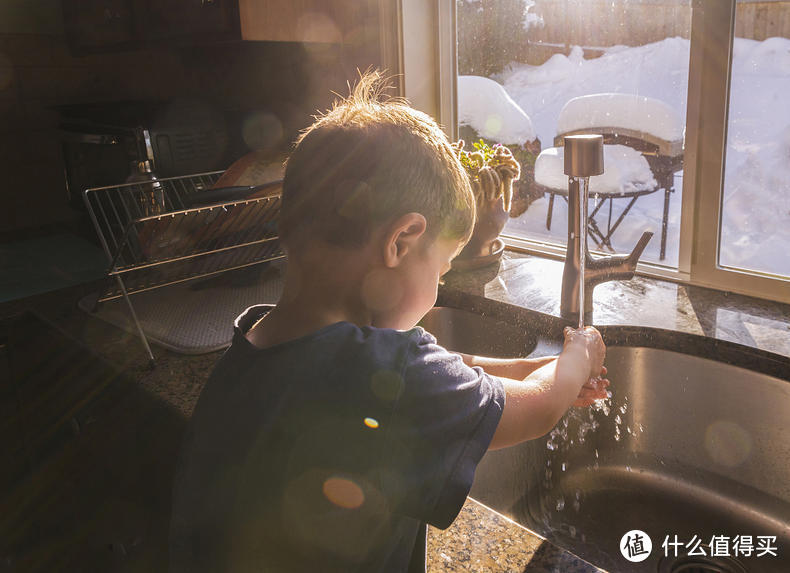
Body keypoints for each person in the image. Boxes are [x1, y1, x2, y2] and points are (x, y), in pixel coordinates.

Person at [169, 71, 609, 573]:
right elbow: (538, 411)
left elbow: (439, 367)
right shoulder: (386, 374)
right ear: (401, 241)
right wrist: (578, 354)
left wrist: (527, 368)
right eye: (441, 268)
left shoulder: (255, 344)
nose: (439, 288)